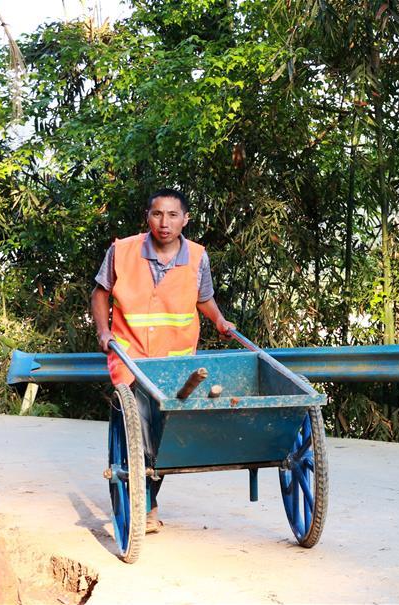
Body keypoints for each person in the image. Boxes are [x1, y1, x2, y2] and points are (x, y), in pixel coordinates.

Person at [91, 187, 234, 532]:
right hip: (131, 356)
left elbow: (204, 298)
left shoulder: (197, 257)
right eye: (157, 214)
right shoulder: (122, 251)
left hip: (174, 361)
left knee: (165, 432)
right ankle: (146, 506)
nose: (164, 222)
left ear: (185, 219)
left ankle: (148, 497)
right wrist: (103, 331)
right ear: (148, 217)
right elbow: (100, 293)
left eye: (172, 215)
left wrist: (219, 320)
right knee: (141, 424)